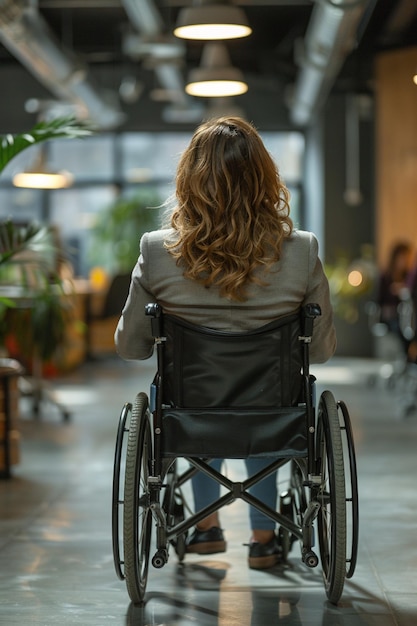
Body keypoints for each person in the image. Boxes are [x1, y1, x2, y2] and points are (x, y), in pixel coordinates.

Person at [115, 116, 336, 569]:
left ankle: (205, 529)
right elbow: (322, 350)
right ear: (265, 178)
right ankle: (264, 536)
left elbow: (131, 347)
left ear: (189, 180)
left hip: (189, 414)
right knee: (274, 390)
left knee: (182, 391)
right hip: (276, 413)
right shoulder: (302, 250)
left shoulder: (157, 252)